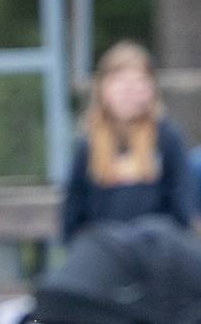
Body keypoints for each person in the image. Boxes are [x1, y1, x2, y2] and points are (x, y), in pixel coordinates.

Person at [58, 41, 187, 236]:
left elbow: (183, 207)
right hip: (103, 249)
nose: (129, 90)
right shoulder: (88, 144)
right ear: (103, 88)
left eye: (138, 81)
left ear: (151, 87)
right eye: (120, 81)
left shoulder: (167, 139)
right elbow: (73, 214)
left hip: (156, 246)